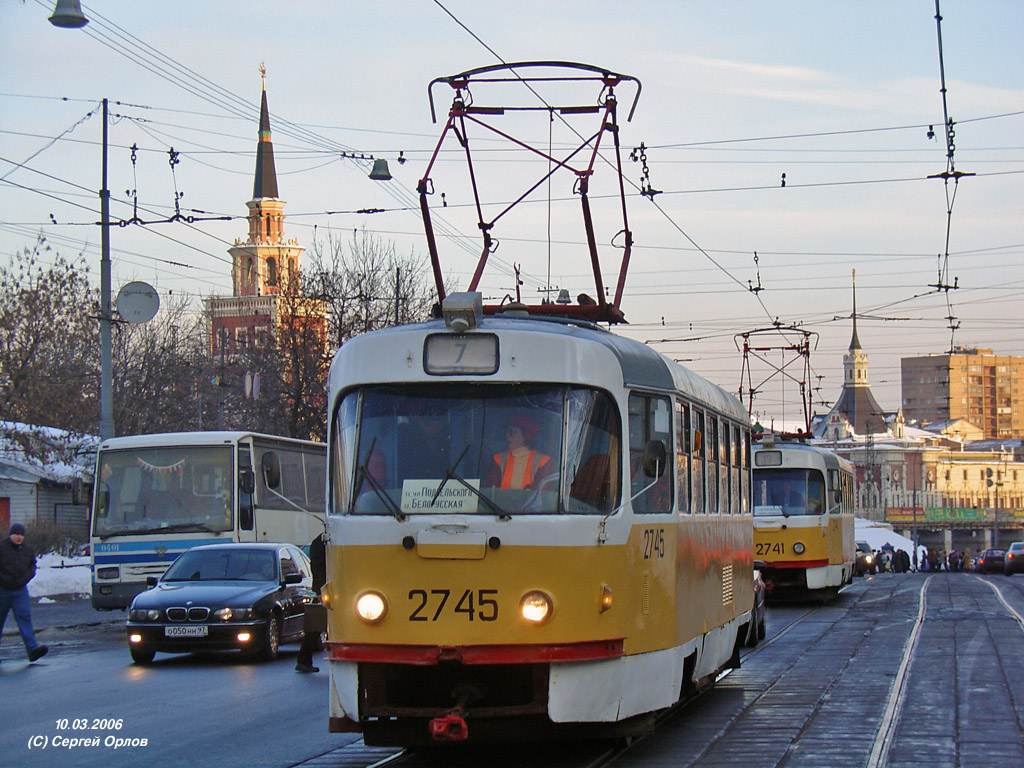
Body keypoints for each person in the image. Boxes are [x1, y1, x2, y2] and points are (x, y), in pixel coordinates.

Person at [0, 523, 49, 663]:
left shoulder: (27, 550)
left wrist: (26, 577)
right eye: (16, 534)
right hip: (2, 590)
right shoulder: (2, 547)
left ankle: (32, 649)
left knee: (25, 617)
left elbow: (32, 566)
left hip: (20, 591)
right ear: (11, 534)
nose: (19, 537)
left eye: (21, 535)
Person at [484, 413, 554, 491]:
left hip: (529, 503)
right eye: (506, 432)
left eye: (512, 432)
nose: (507, 436)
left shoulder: (544, 462)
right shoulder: (498, 459)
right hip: (498, 503)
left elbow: (540, 491)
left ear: (525, 435)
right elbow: (490, 488)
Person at [295, 532, 327, 674]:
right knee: (315, 625)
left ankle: (304, 660)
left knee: (315, 626)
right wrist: (321, 591)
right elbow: (318, 567)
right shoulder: (321, 542)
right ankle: (303, 660)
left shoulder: (319, 541)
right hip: (327, 589)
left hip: (325, 589)